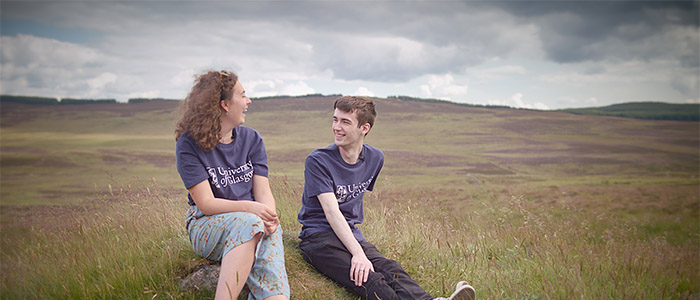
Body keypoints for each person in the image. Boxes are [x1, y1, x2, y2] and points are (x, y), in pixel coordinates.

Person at [297, 96, 476, 300]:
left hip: (351, 233)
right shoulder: (318, 161)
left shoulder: (375, 158)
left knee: (391, 269)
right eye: (335, 119)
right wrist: (358, 254)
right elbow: (332, 212)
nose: (336, 127)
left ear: (364, 128)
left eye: (345, 122)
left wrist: (359, 249)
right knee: (370, 279)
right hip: (319, 239)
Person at [175, 70, 289, 300]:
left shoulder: (252, 139)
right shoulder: (188, 144)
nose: (249, 101)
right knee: (250, 222)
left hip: (253, 220)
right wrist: (252, 209)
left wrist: (268, 215)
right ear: (225, 104)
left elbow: (263, 191)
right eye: (243, 95)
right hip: (205, 224)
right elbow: (206, 204)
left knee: (266, 233)